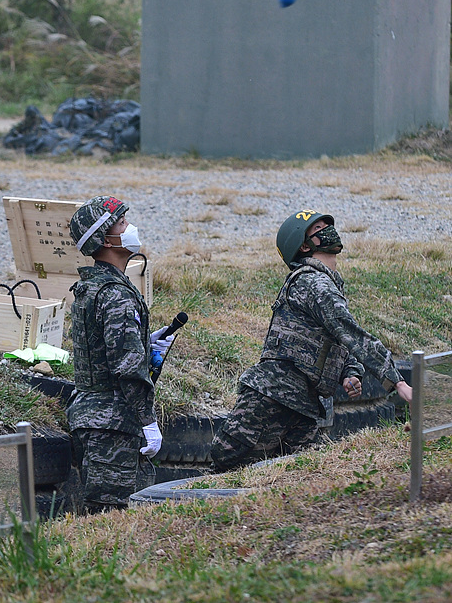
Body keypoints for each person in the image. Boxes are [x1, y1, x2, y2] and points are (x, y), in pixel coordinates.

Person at [210, 210, 413, 472]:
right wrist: (397, 381)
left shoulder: (324, 284)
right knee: (226, 467)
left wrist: (349, 373)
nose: (328, 228)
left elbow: (335, 339)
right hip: (272, 397)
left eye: (328, 224)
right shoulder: (313, 283)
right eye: (318, 227)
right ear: (304, 245)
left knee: (299, 478)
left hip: (304, 404)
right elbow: (352, 333)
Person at [65, 197, 174, 513]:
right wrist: (148, 420)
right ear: (105, 239)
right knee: (114, 521)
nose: (130, 227)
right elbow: (126, 366)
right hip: (112, 425)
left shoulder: (98, 286)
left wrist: (145, 346)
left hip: (99, 419)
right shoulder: (115, 294)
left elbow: (103, 350)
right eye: (122, 222)